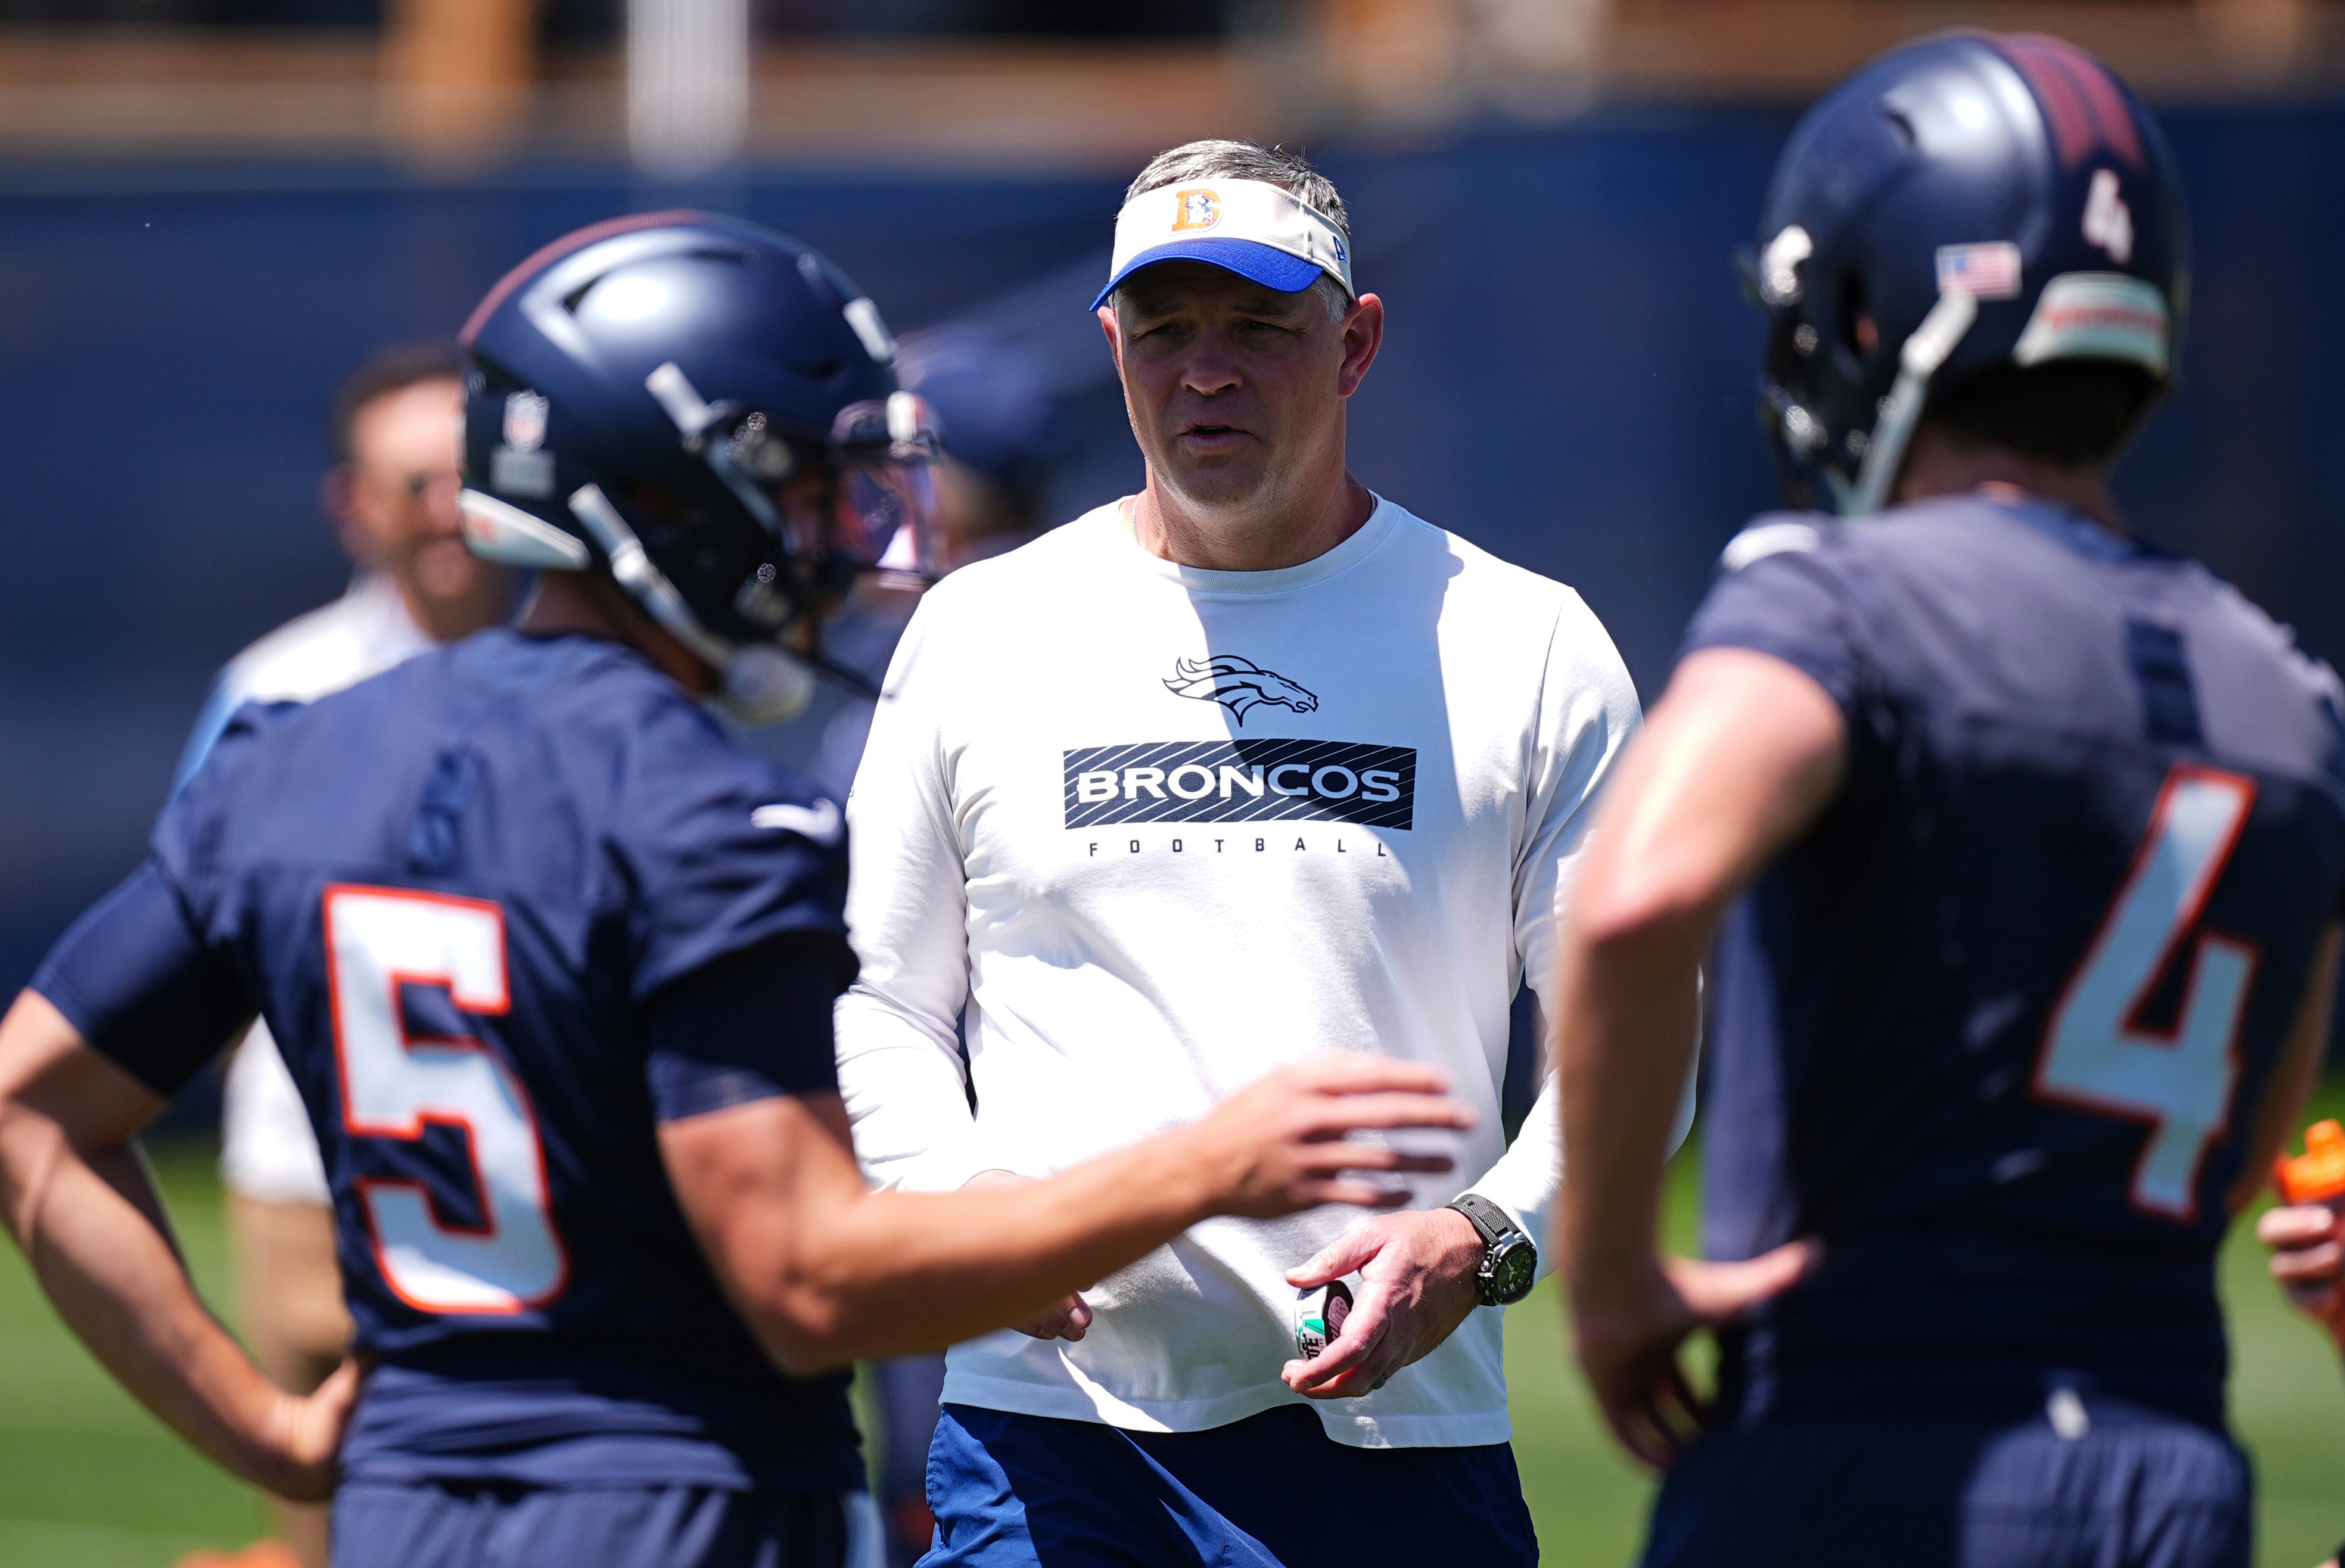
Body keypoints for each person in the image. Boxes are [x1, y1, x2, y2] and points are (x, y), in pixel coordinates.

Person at [0, 211, 1472, 1568]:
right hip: (684, 1506)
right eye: (809, 483)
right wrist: (1202, 1165)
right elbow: (808, 1276)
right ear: (667, 486)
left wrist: (258, 1430)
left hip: (402, 1507)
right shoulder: (700, 815)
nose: (845, 531)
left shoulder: (289, 758)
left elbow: (32, 1107)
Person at [1551, 32, 2345, 1567]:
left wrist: (1612, 1283)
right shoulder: (2292, 698)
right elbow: (2244, 1129)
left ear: (1865, 311)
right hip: (2165, 1455)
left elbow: (1641, 897)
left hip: (1867, 1441)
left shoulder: (1841, 598)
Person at [836, 139, 1641, 1566]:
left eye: (1260, 325)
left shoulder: (1527, 643)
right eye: (1167, 327)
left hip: (1402, 1436)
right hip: (1046, 1437)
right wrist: (958, 1207)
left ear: (1356, 342)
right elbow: (885, 997)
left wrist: (1479, 1238)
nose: (1207, 370)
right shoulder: (979, 629)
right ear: (1113, 344)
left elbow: (1629, 1043)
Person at [175, 340, 518, 1568]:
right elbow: (191, 954)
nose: (444, 514)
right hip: (315, 1181)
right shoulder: (277, 689)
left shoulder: (604, 672)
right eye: (410, 482)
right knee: (331, 1524)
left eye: (463, 478)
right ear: (351, 504)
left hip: (549, 1183)